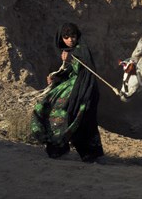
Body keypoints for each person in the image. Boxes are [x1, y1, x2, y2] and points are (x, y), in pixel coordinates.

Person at [31, 23, 104, 162]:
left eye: (73, 36)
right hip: (73, 88)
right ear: (61, 38)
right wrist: (56, 76)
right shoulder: (71, 51)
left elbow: (86, 70)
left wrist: (71, 58)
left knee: (80, 119)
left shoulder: (81, 49)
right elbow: (71, 72)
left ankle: (88, 153)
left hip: (84, 91)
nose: (70, 39)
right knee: (48, 107)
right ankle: (58, 148)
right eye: (66, 37)